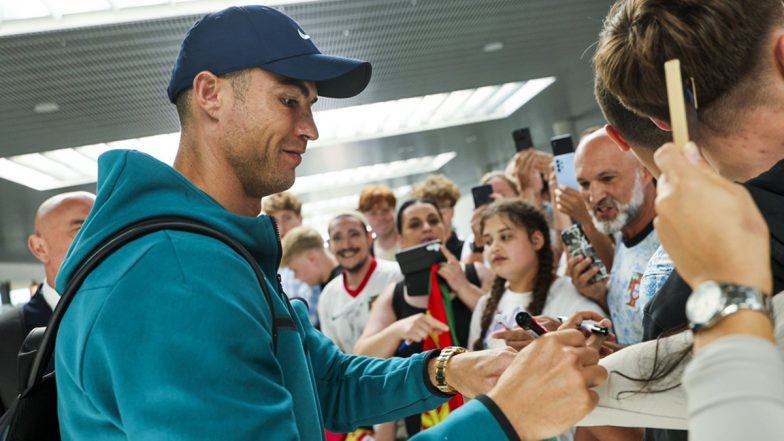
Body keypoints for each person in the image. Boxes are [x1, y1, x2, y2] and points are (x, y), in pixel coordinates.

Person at [53, 5, 607, 441]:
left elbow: (325, 383)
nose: (310, 129)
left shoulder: (215, 250)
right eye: (289, 100)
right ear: (210, 95)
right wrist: (505, 418)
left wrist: (453, 371)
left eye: (311, 104)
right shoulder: (175, 275)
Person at [354, 198, 492, 437]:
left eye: (433, 221)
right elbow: (361, 356)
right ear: (401, 239)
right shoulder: (394, 294)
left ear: (446, 229)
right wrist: (398, 330)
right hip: (425, 424)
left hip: (485, 411)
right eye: (415, 224)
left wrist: (463, 287)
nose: (426, 228)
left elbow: (504, 324)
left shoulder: (476, 274)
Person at [468, 199, 605, 354]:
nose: (494, 247)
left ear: (536, 240)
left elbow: (599, 353)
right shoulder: (484, 305)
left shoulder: (571, 300)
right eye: (488, 241)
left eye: (505, 237)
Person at [0, 191, 94, 413]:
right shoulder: (7, 335)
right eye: (80, 229)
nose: (99, 239)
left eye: (103, 226)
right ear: (39, 247)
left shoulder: (134, 317)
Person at [570, 128, 659, 345]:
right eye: (584, 184)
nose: (595, 196)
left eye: (607, 178)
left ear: (645, 172)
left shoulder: (675, 242)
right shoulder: (623, 228)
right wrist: (602, 296)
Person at [318, 212, 402, 353]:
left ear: (369, 238)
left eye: (354, 234)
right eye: (337, 238)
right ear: (330, 246)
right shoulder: (328, 296)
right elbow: (333, 356)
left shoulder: (397, 276)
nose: (346, 245)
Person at [264, 191, 320, 324]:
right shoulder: (273, 266)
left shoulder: (315, 254)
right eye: (275, 220)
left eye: (287, 218)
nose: (281, 227)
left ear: (300, 219)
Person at [281, 225, 341, 325]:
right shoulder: (322, 287)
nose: (296, 277)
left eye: (295, 270)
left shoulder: (341, 286)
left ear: (312, 259)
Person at [462, 171, 520, 263]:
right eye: (491, 198)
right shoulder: (471, 240)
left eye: (503, 195)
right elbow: (471, 274)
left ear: (518, 197)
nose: (496, 201)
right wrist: (478, 244)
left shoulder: (527, 229)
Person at [410, 174, 465, 258]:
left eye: (441, 207)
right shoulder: (416, 256)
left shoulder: (467, 250)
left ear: (452, 211)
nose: (436, 214)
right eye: (430, 210)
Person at [358, 184, 400, 261]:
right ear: (364, 216)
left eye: (385, 210)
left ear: (394, 210)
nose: (380, 218)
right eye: (373, 213)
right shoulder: (366, 253)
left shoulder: (411, 240)